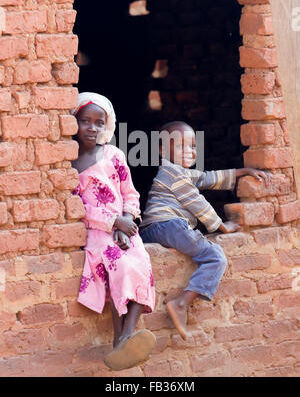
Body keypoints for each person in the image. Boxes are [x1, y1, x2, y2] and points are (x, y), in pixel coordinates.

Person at [140, 121, 270, 340]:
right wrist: (222, 226)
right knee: (215, 256)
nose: (189, 151)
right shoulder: (173, 174)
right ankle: (181, 303)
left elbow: (209, 177)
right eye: (180, 146)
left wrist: (243, 171)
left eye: (192, 146)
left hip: (156, 229)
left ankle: (181, 303)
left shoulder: (181, 173)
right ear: (161, 150)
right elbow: (197, 202)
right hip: (167, 225)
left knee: (202, 245)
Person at [71, 92, 156, 371]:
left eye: (98, 122)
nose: (92, 128)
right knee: (117, 266)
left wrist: (127, 219)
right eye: (85, 121)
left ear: (107, 125)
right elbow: (79, 208)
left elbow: (130, 193)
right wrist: (113, 223)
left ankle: (124, 336)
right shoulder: (69, 164)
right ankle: (123, 339)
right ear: (73, 122)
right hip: (97, 231)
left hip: (126, 226)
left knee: (140, 262)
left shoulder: (114, 155)